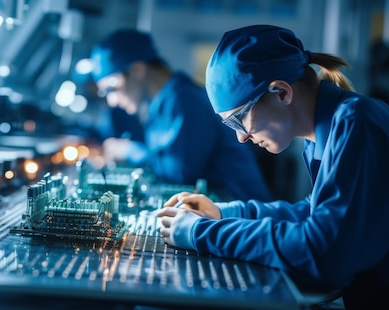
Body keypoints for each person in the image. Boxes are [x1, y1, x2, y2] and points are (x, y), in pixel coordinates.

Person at [156, 24, 389, 310]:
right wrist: (224, 212)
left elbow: (325, 254)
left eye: (239, 120)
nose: (241, 137)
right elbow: (313, 212)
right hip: (380, 308)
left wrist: (203, 234)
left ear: (282, 92)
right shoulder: (329, 130)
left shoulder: (359, 126)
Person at [89, 28, 273, 202]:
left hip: (242, 216)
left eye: (111, 89)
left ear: (138, 69)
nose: (112, 101)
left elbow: (179, 173)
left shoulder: (186, 99)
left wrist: (130, 151)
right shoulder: (160, 105)